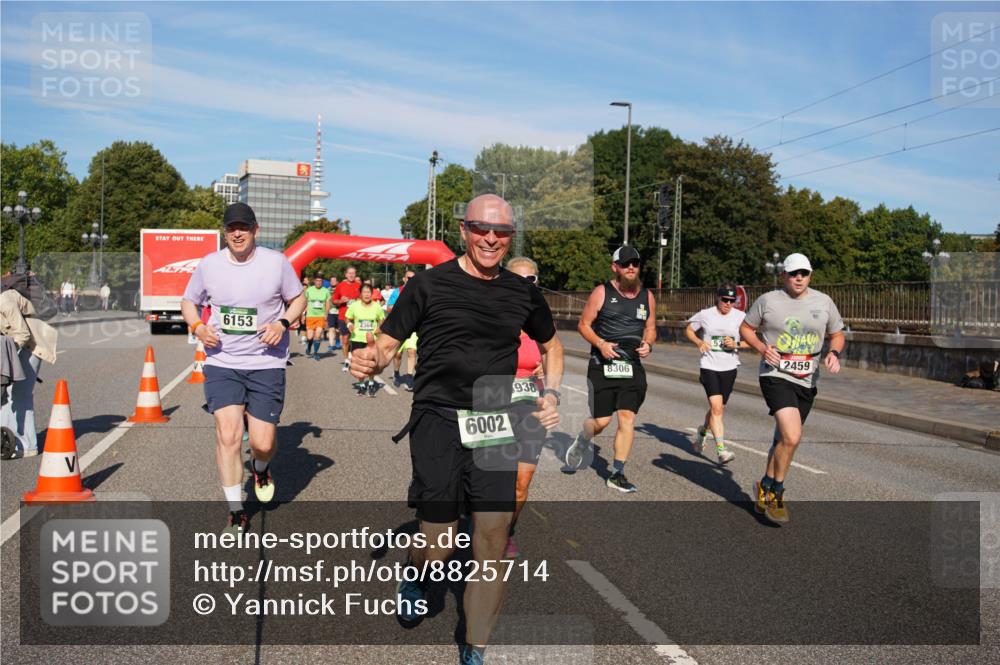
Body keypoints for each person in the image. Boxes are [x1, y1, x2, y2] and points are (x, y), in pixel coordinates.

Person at [351, 194, 563, 664]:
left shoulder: (522, 292)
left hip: (494, 414)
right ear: (464, 230)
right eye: (481, 229)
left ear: (510, 238)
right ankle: (419, 573)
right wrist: (372, 360)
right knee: (440, 541)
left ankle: (476, 647)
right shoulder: (428, 285)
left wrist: (552, 393)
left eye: (502, 232)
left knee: (491, 536)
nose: (491, 238)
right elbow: (388, 343)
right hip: (438, 417)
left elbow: (552, 346)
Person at [181, 202, 306, 533]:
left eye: (244, 228)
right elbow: (188, 302)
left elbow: (299, 299)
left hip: (266, 362)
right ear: (225, 232)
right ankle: (236, 508)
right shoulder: (209, 265)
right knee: (229, 435)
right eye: (231, 228)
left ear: (255, 230)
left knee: (262, 443)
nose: (237, 233)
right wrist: (198, 327)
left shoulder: (277, 263)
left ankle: (261, 467)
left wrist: (282, 322)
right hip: (223, 362)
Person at [739, 253, 845, 525]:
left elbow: (837, 333)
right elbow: (746, 328)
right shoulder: (768, 300)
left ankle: (764, 484)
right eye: (794, 273)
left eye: (804, 273)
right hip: (776, 373)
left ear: (810, 275)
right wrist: (763, 348)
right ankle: (776, 492)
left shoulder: (823, 302)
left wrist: (833, 353)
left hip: (807, 378)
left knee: (783, 440)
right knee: (793, 436)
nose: (799, 278)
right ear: (783, 275)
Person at [564, 245, 656, 493]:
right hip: (602, 364)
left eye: (635, 263)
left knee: (627, 418)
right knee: (602, 421)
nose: (630, 268)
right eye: (625, 263)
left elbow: (650, 327)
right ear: (615, 267)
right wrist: (601, 344)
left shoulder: (647, 296)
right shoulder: (601, 292)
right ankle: (583, 439)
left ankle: (617, 473)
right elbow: (583, 325)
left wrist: (648, 343)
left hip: (631, 366)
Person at [503, 256, 562, 559]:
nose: (527, 286)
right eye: (519, 280)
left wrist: (548, 384)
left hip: (530, 407)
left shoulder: (542, 321)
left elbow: (555, 354)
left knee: (521, 483)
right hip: (494, 405)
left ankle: (506, 531)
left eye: (532, 280)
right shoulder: (493, 315)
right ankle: (481, 525)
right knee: (489, 478)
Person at [684, 284, 749, 464]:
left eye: (731, 301)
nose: (728, 304)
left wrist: (736, 344)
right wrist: (699, 342)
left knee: (718, 409)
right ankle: (721, 450)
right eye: (724, 300)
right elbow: (689, 330)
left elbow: (752, 340)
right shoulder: (706, 314)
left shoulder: (741, 317)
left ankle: (703, 431)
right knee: (717, 408)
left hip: (730, 367)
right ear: (717, 298)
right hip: (709, 366)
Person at [0, 285, 58, 458]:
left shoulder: (4, 302)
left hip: (32, 344)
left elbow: (22, 334)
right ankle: (7, 441)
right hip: (12, 345)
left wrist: (7, 357)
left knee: (21, 393)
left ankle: (27, 446)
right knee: (6, 393)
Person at [345, 283, 386, 397]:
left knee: (372, 363)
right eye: (364, 292)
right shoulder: (354, 306)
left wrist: (379, 328)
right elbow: (347, 318)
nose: (367, 294)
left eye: (369, 292)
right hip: (357, 338)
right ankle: (362, 385)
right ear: (361, 294)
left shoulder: (377, 306)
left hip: (371, 339)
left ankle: (371, 383)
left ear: (372, 294)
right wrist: (349, 325)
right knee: (360, 363)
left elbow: (382, 319)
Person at [387, 270, 417, 388]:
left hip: (412, 328)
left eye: (413, 278)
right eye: (409, 278)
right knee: (398, 355)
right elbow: (389, 308)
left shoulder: (418, 291)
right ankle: (396, 373)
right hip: (399, 327)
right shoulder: (397, 291)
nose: (411, 280)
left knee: (412, 351)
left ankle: (410, 377)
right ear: (404, 279)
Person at [332, 266, 362, 372]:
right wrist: (340, 301)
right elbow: (334, 301)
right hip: (343, 316)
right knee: (345, 339)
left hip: (356, 317)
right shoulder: (340, 286)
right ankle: (346, 360)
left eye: (353, 273)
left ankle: (354, 356)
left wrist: (360, 300)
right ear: (345, 274)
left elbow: (365, 299)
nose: (351, 275)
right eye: (349, 273)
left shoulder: (359, 286)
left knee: (356, 339)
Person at [303, 275, 330, 361]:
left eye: (320, 281)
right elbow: (305, 303)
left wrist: (326, 314)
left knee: (318, 335)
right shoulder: (309, 290)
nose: (318, 282)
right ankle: (309, 346)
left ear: (322, 282)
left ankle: (315, 353)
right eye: (317, 281)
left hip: (320, 316)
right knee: (310, 337)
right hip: (310, 316)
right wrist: (303, 314)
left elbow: (328, 303)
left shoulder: (326, 291)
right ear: (314, 281)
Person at [326, 275, 340, 353]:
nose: (333, 282)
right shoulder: (327, 290)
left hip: (339, 312)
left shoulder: (340, 289)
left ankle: (337, 340)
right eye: (331, 281)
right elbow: (326, 301)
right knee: (331, 328)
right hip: (331, 312)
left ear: (337, 281)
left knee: (338, 330)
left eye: (334, 280)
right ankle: (331, 345)